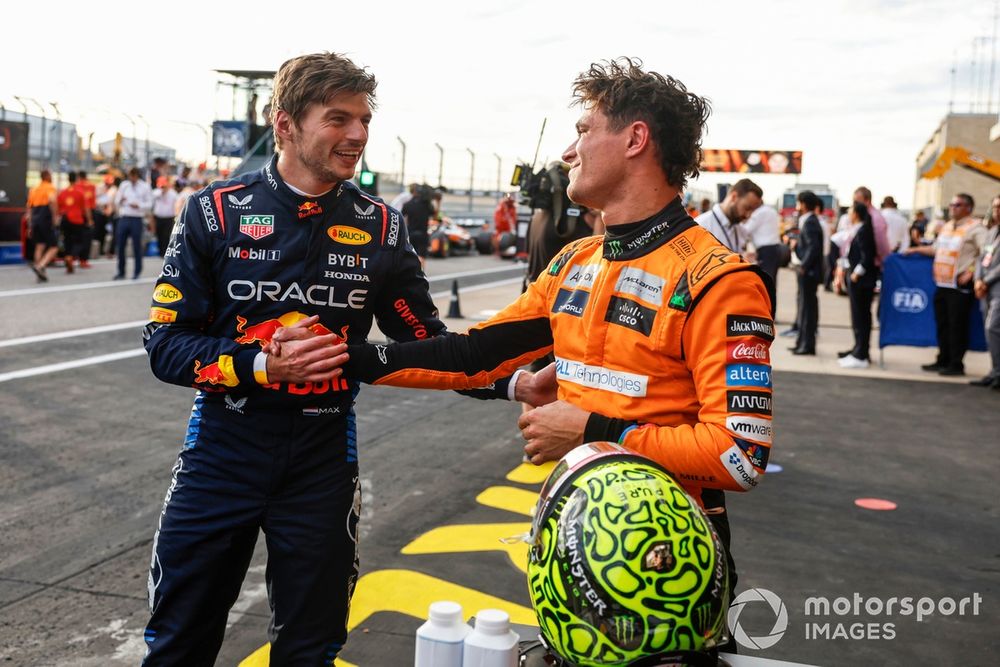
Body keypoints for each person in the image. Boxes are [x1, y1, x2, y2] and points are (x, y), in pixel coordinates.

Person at [283, 58, 773, 655]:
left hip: (671, 569)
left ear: (635, 139)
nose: (570, 151)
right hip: (571, 551)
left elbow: (741, 456)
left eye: (586, 130)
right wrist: (340, 358)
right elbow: (471, 357)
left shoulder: (718, 280)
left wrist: (591, 430)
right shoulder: (574, 263)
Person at [139, 51, 504, 666]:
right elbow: (165, 344)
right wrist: (260, 365)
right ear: (285, 125)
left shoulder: (382, 227)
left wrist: (513, 383)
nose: (358, 134)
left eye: (363, 120)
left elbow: (428, 343)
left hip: (322, 460)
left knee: (310, 651)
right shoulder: (213, 210)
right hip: (222, 452)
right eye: (339, 119)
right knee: (179, 642)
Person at [907, 193, 987, 376]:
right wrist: (914, 249)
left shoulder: (976, 228)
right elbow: (936, 249)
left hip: (959, 286)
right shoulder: (947, 227)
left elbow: (986, 253)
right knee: (942, 323)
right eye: (951, 204)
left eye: (957, 205)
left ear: (968, 207)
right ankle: (942, 358)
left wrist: (972, 271)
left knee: (957, 325)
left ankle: (955, 363)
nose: (952, 207)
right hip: (943, 283)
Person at [838, 202, 878, 369]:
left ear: (857, 214)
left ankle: (862, 354)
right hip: (856, 278)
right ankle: (858, 349)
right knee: (857, 316)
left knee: (861, 316)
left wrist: (856, 274)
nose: (848, 214)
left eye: (851, 211)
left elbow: (867, 256)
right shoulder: (857, 230)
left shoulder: (864, 231)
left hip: (861, 281)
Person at [971, 195, 1000, 389]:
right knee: (988, 330)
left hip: (997, 288)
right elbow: (982, 257)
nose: (997, 210)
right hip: (986, 288)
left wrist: (985, 281)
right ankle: (994, 370)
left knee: (993, 327)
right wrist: (977, 280)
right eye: (995, 207)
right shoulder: (992, 232)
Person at [790, 190, 824, 355]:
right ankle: (801, 342)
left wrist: (803, 265)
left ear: (803, 204)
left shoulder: (810, 222)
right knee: (804, 308)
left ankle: (807, 345)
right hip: (808, 271)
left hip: (808, 273)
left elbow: (813, 247)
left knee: (807, 310)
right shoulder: (809, 220)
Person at [694, 178, 763, 252]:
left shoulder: (740, 230)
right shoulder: (701, 225)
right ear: (734, 197)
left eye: (752, 211)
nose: (748, 215)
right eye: (747, 208)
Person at [112, 167, 152, 279]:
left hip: (137, 218)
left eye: (134, 176)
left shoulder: (144, 186)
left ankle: (137, 271)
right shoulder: (124, 185)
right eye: (130, 176)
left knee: (136, 246)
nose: (132, 178)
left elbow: (149, 204)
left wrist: (139, 205)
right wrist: (121, 200)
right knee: (120, 246)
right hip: (124, 217)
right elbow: (116, 200)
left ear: (137, 176)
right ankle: (121, 271)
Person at [742, 204, 781, 315]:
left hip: (765, 251)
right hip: (774, 249)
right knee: (771, 284)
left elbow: (745, 230)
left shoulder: (758, 213)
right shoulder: (771, 210)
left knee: (764, 284)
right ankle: (771, 312)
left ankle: (765, 313)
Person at [24, 169, 60, 281]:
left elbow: (29, 209)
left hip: (35, 219)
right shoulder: (50, 187)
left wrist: (30, 226)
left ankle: (39, 273)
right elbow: (52, 200)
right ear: (47, 176)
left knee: (39, 246)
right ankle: (40, 266)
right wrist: (55, 217)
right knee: (54, 246)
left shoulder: (34, 190)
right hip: (46, 219)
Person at [56, 171, 91, 273]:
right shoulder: (80, 192)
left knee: (67, 240)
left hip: (65, 219)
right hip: (77, 219)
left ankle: (67, 256)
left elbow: (58, 208)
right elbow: (86, 208)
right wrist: (89, 220)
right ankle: (71, 257)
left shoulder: (62, 192)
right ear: (76, 179)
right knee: (79, 241)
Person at [401, 184, 436, 266]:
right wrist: (438, 202)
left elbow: (402, 218)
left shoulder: (407, 204)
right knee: (421, 257)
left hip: (410, 233)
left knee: (410, 256)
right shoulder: (426, 204)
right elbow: (435, 215)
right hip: (422, 234)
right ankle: (421, 275)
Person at [151, 176, 178, 257]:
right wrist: (162, 191)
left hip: (169, 218)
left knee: (167, 236)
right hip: (158, 218)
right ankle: (160, 252)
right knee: (159, 235)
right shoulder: (156, 192)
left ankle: (166, 252)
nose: (163, 187)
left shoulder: (173, 193)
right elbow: (154, 196)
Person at [76, 170, 97, 268]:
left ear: (79, 177)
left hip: (77, 214)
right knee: (87, 238)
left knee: (77, 237)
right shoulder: (92, 186)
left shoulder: (76, 186)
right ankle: (83, 260)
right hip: (88, 214)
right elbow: (92, 203)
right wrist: (90, 218)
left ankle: (72, 257)